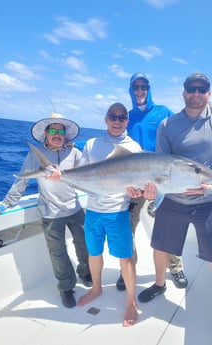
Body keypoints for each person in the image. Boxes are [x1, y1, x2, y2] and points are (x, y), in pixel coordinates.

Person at [136, 72, 212, 345]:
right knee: (160, 247)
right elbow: (160, 165)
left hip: (208, 202)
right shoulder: (168, 125)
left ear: (209, 93)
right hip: (173, 199)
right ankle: (160, 285)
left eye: (201, 88)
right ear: (183, 92)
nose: (196, 93)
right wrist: (152, 188)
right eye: (191, 88)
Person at [0, 113, 92, 308]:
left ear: (65, 135)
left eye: (60, 131)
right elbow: (22, 179)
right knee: (58, 253)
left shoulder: (74, 153)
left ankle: (86, 272)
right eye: (53, 131)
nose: (57, 134)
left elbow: (88, 174)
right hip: (50, 213)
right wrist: (7, 203)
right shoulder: (35, 154)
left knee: (84, 246)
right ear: (46, 134)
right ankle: (66, 288)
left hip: (75, 209)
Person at [115, 72, 188, 292]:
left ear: (149, 88)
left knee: (167, 227)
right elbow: (111, 139)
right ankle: (126, 270)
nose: (140, 91)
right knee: (128, 227)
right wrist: (75, 144)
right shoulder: (126, 117)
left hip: (162, 180)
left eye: (143, 86)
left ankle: (175, 267)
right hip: (135, 182)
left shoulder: (163, 112)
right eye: (136, 87)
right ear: (131, 90)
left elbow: (185, 123)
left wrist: (211, 110)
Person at [77, 102, 142, 327]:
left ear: (127, 121)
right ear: (105, 119)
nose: (117, 121)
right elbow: (81, 173)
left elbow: (139, 183)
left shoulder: (134, 148)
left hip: (118, 212)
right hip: (93, 210)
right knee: (94, 253)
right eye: (113, 117)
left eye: (121, 117)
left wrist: (140, 191)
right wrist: (60, 176)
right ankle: (96, 288)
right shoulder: (92, 144)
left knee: (125, 258)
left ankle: (131, 302)